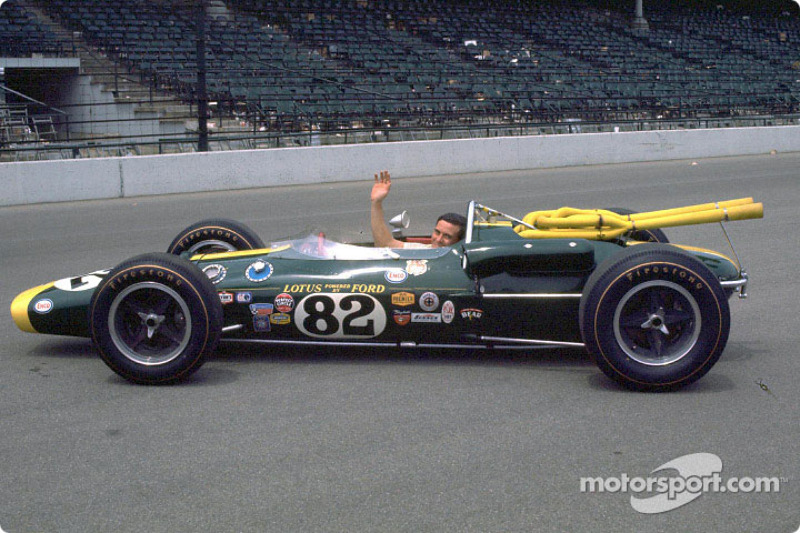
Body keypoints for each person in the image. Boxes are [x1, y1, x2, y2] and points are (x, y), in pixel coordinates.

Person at [370, 170, 466, 248]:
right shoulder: (423, 250)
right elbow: (385, 245)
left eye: (447, 236)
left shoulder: (464, 262)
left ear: (458, 242)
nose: (438, 239)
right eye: (437, 232)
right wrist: (376, 203)